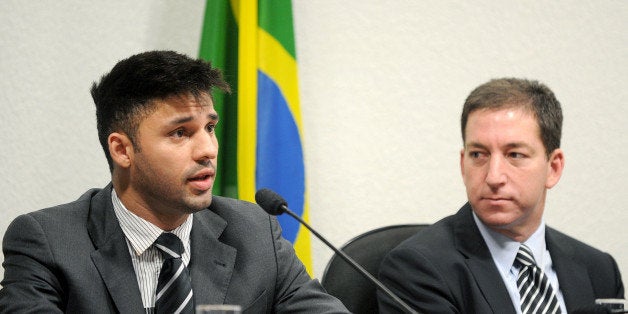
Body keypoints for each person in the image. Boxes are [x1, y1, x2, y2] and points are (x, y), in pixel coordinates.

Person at [0, 50, 349, 313]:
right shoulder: (47, 242)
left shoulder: (255, 232)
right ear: (123, 150)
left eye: (210, 128)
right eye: (180, 133)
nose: (208, 150)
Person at [378, 78, 624, 313]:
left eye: (514, 154)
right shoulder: (417, 269)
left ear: (553, 167)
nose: (494, 177)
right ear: (463, 165)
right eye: (478, 155)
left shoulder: (599, 270)